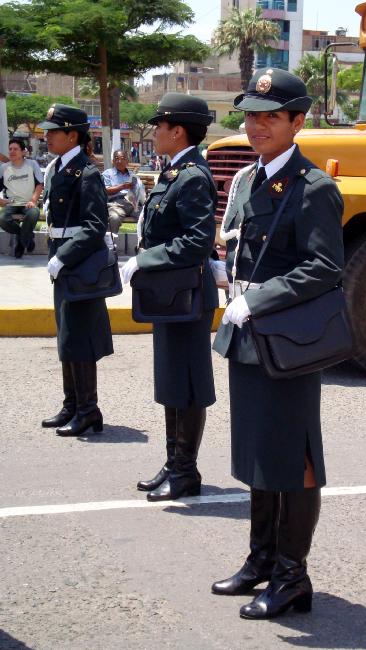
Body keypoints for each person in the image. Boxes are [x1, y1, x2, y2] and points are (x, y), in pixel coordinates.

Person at [211, 69, 345, 620]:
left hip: (286, 339)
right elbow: (243, 247)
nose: (258, 125)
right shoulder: (245, 180)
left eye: (271, 116)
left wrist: (258, 299)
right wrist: (223, 273)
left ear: (297, 121)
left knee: (294, 456)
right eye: (251, 115)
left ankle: (293, 576)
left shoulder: (313, 188)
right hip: (245, 334)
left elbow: (324, 266)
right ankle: (261, 559)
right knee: (258, 452)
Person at [121, 93, 218, 502]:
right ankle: (173, 462)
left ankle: (185, 471)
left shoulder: (193, 175)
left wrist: (146, 259)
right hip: (171, 295)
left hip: (188, 295)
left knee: (188, 384)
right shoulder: (175, 172)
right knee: (172, 382)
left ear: (177, 131)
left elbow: (197, 241)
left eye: (159, 126)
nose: (155, 131)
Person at [38, 104, 113, 437]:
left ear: (73, 135)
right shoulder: (56, 167)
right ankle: (72, 405)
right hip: (64, 261)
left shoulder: (88, 172)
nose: (47, 136)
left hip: (79, 263)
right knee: (66, 336)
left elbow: (95, 224)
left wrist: (64, 256)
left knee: (79, 337)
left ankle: (88, 410)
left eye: (54, 131)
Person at [0, 138, 43, 258]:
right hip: (11, 203)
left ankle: (21, 243)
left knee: (34, 213)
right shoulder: (3, 168)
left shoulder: (32, 164)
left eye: (15, 149)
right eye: (10, 149)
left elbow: (40, 184)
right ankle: (27, 237)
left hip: (28, 203)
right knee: (2, 219)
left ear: (23, 152)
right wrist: (1, 201)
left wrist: (33, 200)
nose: (12, 151)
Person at [102, 149, 145, 234]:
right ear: (113, 161)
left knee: (146, 216)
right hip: (116, 204)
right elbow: (105, 190)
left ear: (127, 161)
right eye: (117, 158)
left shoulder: (133, 175)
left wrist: (141, 195)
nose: (119, 161)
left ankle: (143, 242)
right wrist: (123, 186)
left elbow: (140, 190)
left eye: (122, 158)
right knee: (114, 217)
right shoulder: (107, 174)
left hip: (133, 205)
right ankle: (111, 243)